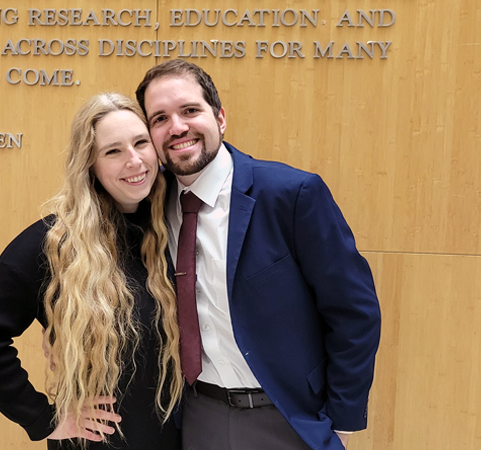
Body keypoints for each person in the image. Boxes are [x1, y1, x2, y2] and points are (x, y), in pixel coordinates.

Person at [134, 59, 382, 450]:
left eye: (190, 110)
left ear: (220, 118)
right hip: (198, 418)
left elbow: (354, 312)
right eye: (160, 118)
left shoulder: (292, 195)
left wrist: (342, 422)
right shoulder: (148, 205)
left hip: (290, 418)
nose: (177, 127)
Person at [0, 93, 183, 449]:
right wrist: (41, 418)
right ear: (89, 164)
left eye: (141, 143)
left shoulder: (179, 226)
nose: (134, 161)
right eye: (113, 151)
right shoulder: (55, 243)